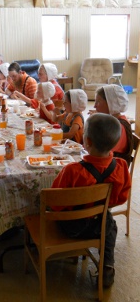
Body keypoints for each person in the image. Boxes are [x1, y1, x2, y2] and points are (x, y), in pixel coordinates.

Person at [51, 113, 131, 287]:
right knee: (110, 224)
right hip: (98, 227)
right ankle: (107, 266)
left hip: (70, 227)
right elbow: (121, 198)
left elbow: (54, 203)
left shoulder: (72, 170)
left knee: (104, 222)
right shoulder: (121, 166)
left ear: (87, 141)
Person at [89, 85, 133, 166]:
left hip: (112, 170)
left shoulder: (118, 126)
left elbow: (99, 152)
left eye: (98, 102)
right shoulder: (111, 121)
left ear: (111, 103)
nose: (94, 106)